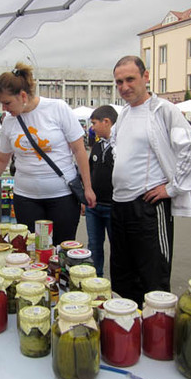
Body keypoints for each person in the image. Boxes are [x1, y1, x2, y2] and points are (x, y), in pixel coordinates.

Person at [110, 56, 191, 306]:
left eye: (130, 79)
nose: (125, 86)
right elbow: (119, 148)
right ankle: (127, 331)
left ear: (146, 77)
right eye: (119, 81)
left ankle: (156, 338)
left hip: (147, 207)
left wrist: (172, 188)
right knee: (122, 276)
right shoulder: (124, 114)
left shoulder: (163, 110)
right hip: (120, 205)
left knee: (153, 278)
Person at [0, 62, 95, 245]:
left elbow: (79, 150)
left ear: (23, 95)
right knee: (30, 249)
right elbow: (2, 159)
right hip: (25, 198)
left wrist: (88, 187)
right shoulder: (10, 122)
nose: (4, 108)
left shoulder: (57, 108)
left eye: (7, 102)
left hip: (62, 197)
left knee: (61, 250)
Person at [85, 105, 118, 277]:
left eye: (94, 123)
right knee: (94, 247)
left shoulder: (120, 145)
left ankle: (117, 284)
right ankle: (96, 282)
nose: (92, 127)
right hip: (94, 207)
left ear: (107, 122)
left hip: (114, 207)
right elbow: (90, 171)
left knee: (118, 248)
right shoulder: (97, 145)